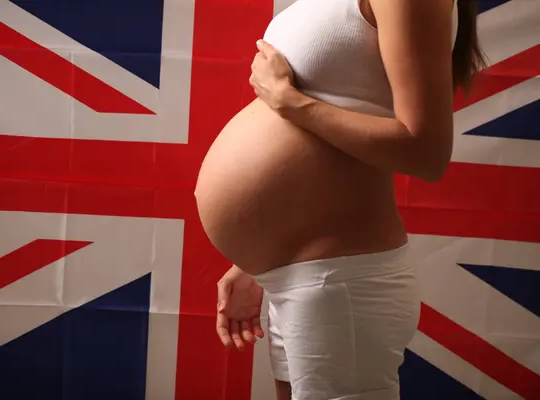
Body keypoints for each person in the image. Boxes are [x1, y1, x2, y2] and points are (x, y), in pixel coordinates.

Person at [194, 0, 486, 398]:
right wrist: (255, 259)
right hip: (306, 272)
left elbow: (426, 151)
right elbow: (348, 100)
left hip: (339, 280)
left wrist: (290, 102)